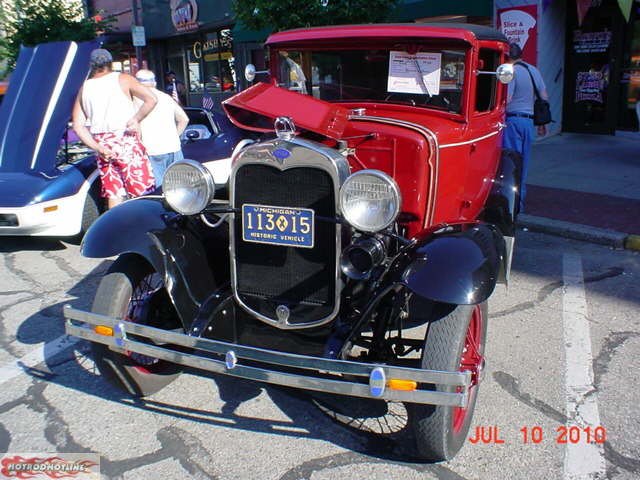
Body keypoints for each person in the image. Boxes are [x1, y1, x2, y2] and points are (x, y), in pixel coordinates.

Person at [72, 49, 157, 209]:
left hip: (102, 144)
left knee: (114, 191)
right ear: (110, 63)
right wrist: (136, 119)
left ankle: (117, 229)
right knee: (141, 190)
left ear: (91, 65)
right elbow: (151, 99)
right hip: (126, 139)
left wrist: (98, 147)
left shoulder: (85, 87)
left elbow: (78, 126)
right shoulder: (123, 79)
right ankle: (142, 228)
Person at [502, 43, 549, 213]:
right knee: (524, 164)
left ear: (508, 57)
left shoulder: (509, 71)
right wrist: (542, 124)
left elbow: (507, 99)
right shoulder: (533, 70)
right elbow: (544, 97)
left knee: (511, 164)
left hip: (513, 121)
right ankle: (520, 203)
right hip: (528, 122)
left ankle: (510, 206)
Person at [134, 69, 189, 188]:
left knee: (158, 192)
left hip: (151, 150)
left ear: (137, 83)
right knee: (178, 189)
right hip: (173, 147)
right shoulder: (166, 98)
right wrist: (175, 135)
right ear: (154, 83)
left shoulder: (136, 99)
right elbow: (184, 119)